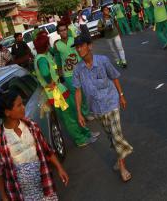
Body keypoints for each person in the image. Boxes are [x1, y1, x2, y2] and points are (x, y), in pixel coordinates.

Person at [0, 88, 69, 200]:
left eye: (22, 104)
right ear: (7, 112)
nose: (23, 107)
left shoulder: (32, 126)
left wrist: (60, 168)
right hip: (21, 195)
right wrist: (4, 196)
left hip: (44, 185)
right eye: (19, 105)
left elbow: (47, 150)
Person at [73, 36, 134, 183]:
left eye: (81, 45)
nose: (79, 49)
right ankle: (120, 156)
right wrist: (79, 113)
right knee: (111, 137)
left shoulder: (103, 61)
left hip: (111, 102)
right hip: (96, 109)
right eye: (77, 47)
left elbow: (114, 77)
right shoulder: (78, 69)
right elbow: (78, 91)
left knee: (116, 135)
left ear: (89, 46)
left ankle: (122, 165)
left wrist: (121, 95)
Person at [34, 31, 95, 148]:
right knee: (69, 118)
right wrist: (50, 81)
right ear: (46, 45)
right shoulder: (41, 59)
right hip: (55, 93)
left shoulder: (43, 55)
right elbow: (45, 73)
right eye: (48, 44)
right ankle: (80, 139)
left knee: (72, 112)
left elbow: (53, 55)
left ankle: (85, 133)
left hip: (59, 89)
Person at [52, 21, 94, 147]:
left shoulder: (73, 40)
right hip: (68, 74)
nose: (63, 32)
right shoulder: (57, 45)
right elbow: (58, 61)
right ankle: (82, 114)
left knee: (85, 92)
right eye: (61, 30)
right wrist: (60, 74)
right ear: (58, 33)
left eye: (65, 29)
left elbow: (81, 53)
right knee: (77, 94)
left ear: (67, 30)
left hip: (79, 69)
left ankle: (86, 113)